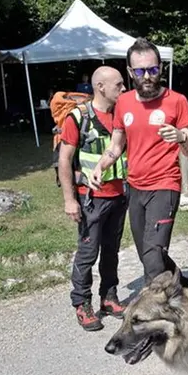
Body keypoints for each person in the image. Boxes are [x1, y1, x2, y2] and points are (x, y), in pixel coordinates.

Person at [90, 38, 188, 287]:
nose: (147, 76)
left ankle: (157, 318)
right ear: (130, 72)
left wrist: (182, 136)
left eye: (152, 69)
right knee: (148, 252)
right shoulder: (124, 103)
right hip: (136, 188)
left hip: (165, 186)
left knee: (152, 255)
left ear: (161, 68)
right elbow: (116, 146)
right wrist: (100, 166)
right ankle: (178, 282)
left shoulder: (177, 101)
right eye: (140, 71)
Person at [59, 66, 127, 331]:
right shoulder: (78, 117)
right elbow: (64, 160)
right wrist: (69, 200)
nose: (123, 90)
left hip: (119, 195)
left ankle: (108, 297)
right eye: (118, 85)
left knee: (111, 251)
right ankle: (81, 303)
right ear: (101, 87)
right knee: (88, 253)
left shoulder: (120, 115)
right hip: (91, 199)